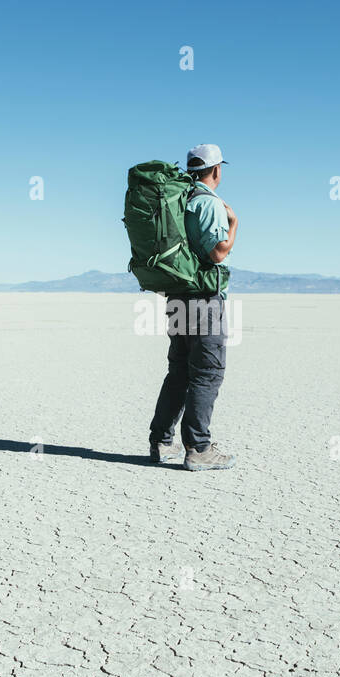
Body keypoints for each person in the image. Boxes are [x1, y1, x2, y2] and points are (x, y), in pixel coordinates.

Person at [148, 143, 238, 471]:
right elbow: (217, 253)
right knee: (207, 372)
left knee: (179, 371)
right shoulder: (209, 203)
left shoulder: (178, 200)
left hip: (176, 296)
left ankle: (161, 442)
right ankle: (198, 448)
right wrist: (234, 223)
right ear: (216, 170)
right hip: (202, 299)